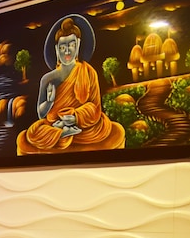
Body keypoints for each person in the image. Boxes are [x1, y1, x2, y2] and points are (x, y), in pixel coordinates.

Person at [17, 15, 124, 154]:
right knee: (34, 132)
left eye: (71, 45)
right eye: (63, 47)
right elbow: (41, 114)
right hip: (55, 125)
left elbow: (95, 108)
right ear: (56, 49)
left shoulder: (88, 72)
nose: (67, 51)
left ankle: (63, 133)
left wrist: (76, 117)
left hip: (83, 128)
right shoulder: (48, 79)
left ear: (78, 45)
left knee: (104, 127)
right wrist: (49, 101)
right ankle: (62, 133)